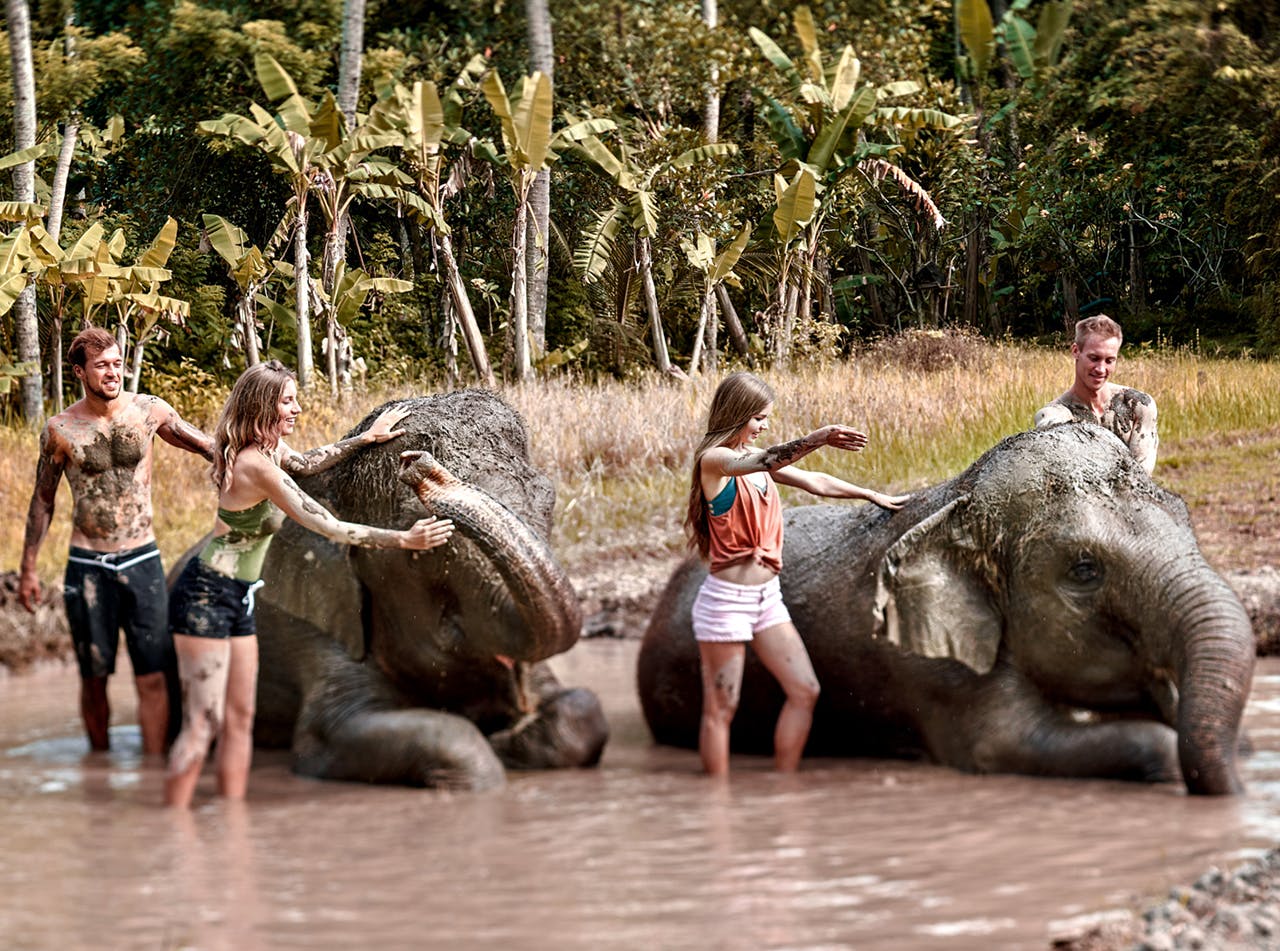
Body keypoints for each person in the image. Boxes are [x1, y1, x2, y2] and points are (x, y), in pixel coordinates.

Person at [164, 360, 454, 808]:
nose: (297, 408)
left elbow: (305, 462)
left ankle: (233, 823)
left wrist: (365, 438)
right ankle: (171, 828)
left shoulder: (271, 451)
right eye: (287, 401)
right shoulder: (254, 464)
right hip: (205, 594)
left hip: (241, 596)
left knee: (241, 718)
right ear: (263, 407)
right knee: (203, 724)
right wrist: (403, 539)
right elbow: (325, 524)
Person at [685, 371, 910, 776]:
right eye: (758, 418)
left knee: (805, 690)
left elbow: (813, 481)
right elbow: (770, 459)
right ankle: (716, 804)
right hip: (726, 602)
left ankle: (784, 790)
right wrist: (818, 437)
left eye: (767, 418)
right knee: (722, 707)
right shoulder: (716, 461)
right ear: (735, 414)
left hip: (767, 599)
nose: (764, 426)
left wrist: (869, 493)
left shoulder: (755, 462)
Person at [19, 327, 215, 755]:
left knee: (152, 674)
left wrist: (264, 455)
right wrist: (29, 568)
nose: (112, 373)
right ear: (79, 372)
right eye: (102, 366)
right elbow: (42, 501)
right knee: (94, 678)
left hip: (142, 558)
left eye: (117, 363)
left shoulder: (149, 411)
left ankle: (153, 770)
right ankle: (99, 769)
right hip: (88, 566)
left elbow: (209, 447)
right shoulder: (60, 429)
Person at [1034, 315, 1159, 473]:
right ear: (1076, 351)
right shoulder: (1054, 415)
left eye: (1109, 361)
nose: (1101, 369)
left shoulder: (1138, 405)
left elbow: (1142, 477)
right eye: (1094, 358)